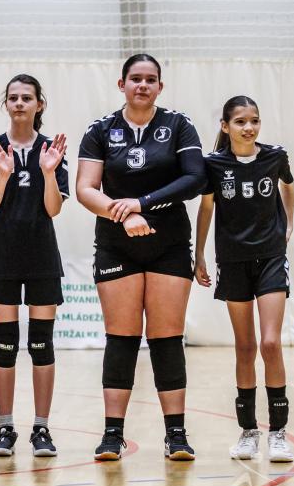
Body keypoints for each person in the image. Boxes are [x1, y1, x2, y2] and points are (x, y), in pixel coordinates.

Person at [76, 54, 206, 462]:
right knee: (122, 336)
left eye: (151, 79)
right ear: (122, 84)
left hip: (169, 244)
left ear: (160, 87)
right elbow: (85, 189)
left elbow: (195, 179)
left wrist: (142, 203)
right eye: (135, 78)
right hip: (117, 244)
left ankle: (176, 435)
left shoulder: (178, 125)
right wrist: (126, 214)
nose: (143, 85)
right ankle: (112, 434)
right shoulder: (100, 130)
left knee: (166, 337)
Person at [195, 96, 294, 462]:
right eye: (240, 121)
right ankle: (249, 431)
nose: (249, 127)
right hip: (233, 260)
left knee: (270, 343)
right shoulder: (214, 164)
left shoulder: (275, 156)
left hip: (270, 258)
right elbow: (206, 207)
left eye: (254, 120)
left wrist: (288, 225)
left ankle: (278, 432)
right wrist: (199, 254)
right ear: (226, 126)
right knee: (245, 347)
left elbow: (288, 186)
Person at [0, 74, 68, 457]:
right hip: (3, 255)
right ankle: (5, 427)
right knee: (5, 345)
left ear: (38, 104)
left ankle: (41, 428)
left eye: (26, 98)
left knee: (42, 344)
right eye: (13, 97)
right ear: (6, 104)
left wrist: (48, 172)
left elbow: (53, 208)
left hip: (42, 255)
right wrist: (3, 174)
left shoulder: (52, 149)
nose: (19, 103)